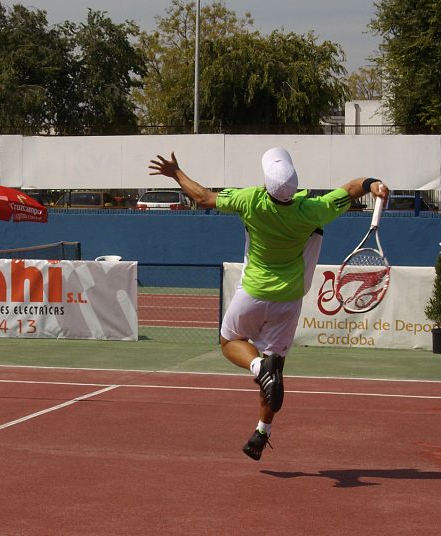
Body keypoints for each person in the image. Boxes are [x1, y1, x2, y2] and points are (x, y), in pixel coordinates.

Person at [149, 148, 388, 461]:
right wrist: (373, 184)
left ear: (266, 184)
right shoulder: (314, 210)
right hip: (288, 300)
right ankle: (262, 432)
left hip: (253, 292)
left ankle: (257, 367)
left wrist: (176, 173)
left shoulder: (250, 200)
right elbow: (353, 188)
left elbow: (203, 198)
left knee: (229, 342)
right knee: (276, 368)